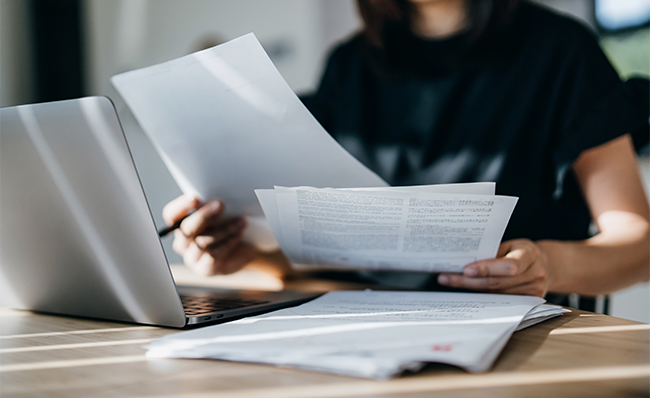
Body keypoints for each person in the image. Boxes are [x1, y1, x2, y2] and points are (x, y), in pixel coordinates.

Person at [162, 0, 650, 303]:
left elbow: (639, 244)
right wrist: (243, 253)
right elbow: (334, 258)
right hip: (363, 330)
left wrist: (548, 263)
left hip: (516, 339)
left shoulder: (563, 53)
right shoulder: (348, 68)